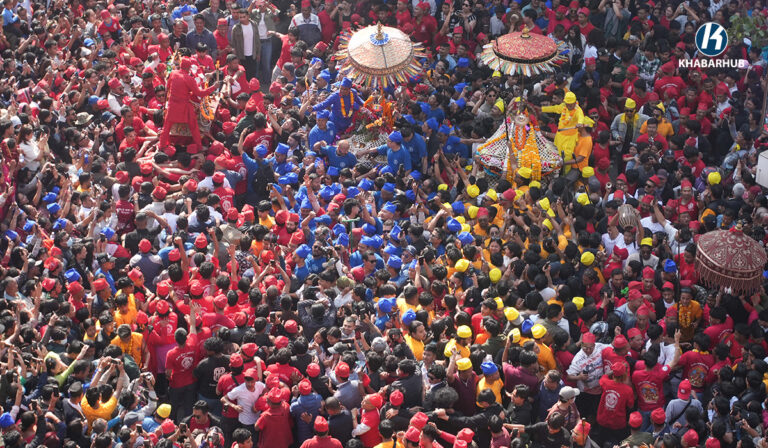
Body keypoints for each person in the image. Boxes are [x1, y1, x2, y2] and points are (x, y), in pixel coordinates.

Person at [158, 57, 219, 149]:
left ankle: (161, 146)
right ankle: (199, 147)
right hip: (184, 105)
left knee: (166, 127)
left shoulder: (173, 73)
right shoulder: (189, 79)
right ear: (188, 68)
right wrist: (213, 87)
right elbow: (199, 93)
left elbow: (168, 88)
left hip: (172, 104)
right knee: (194, 126)